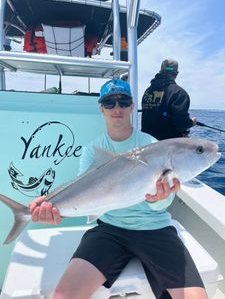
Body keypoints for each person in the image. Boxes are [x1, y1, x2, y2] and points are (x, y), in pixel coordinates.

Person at [29, 79, 207, 299]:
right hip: (109, 230)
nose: (117, 108)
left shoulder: (152, 144)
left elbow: (163, 204)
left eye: (123, 101)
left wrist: (156, 199)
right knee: (63, 296)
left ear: (132, 106)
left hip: (154, 229)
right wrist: (51, 205)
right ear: (101, 108)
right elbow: (80, 191)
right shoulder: (93, 151)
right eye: (110, 102)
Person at [141, 59, 197, 140]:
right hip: (167, 147)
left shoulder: (148, 91)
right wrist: (192, 122)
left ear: (160, 71)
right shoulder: (179, 93)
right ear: (176, 74)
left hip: (146, 144)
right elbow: (182, 124)